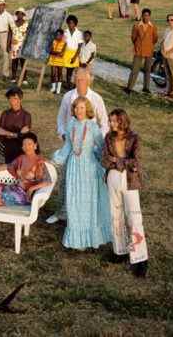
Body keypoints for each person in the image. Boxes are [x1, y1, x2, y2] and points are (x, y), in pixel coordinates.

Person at [48, 68, 109, 224]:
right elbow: (61, 118)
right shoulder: (68, 97)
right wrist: (63, 134)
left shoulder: (96, 98)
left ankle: (85, 215)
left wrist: (94, 143)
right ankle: (61, 212)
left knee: (86, 184)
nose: (80, 82)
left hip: (89, 150)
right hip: (71, 145)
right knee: (65, 181)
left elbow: (104, 124)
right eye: (78, 79)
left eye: (83, 79)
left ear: (89, 81)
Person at [51, 97, 113, 250]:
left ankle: (89, 237)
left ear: (87, 110)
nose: (79, 111)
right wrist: (57, 158)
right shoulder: (71, 123)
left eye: (82, 108)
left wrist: (105, 164)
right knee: (73, 200)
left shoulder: (92, 127)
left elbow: (101, 147)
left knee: (87, 202)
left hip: (89, 169)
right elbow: (67, 147)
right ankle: (76, 238)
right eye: (77, 108)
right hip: (73, 167)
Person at [101, 109, 149, 277]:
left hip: (130, 180)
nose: (112, 123)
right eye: (110, 120)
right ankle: (119, 250)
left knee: (134, 217)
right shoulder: (108, 137)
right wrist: (119, 162)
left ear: (122, 121)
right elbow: (105, 159)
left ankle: (140, 258)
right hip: (113, 179)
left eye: (114, 121)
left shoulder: (134, 137)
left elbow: (136, 161)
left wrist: (118, 161)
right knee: (115, 215)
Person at [125, 8, 158, 94]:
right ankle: (129, 87)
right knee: (135, 70)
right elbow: (133, 38)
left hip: (149, 50)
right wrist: (137, 45)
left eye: (147, 16)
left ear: (149, 16)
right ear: (142, 16)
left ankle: (146, 88)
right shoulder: (137, 26)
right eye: (144, 15)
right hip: (138, 50)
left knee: (147, 70)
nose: (146, 17)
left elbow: (155, 38)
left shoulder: (153, 27)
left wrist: (149, 45)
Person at [0, 87, 32, 164]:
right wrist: (16, 134)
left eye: (15, 98)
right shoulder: (5, 114)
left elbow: (25, 134)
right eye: (10, 98)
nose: (12, 101)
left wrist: (9, 134)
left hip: (21, 148)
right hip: (8, 147)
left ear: (20, 99)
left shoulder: (26, 115)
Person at [63, 15, 83, 87]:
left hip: (75, 53)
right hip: (67, 53)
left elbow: (79, 46)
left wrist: (75, 57)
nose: (70, 25)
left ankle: (75, 84)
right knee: (68, 69)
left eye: (72, 23)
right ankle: (68, 84)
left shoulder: (79, 33)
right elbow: (64, 43)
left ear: (75, 24)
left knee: (75, 70)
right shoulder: (65, 32)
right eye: (69, 23)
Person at [10, 8, 29, 83]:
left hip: (23, 45)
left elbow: (28, 35)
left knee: (23, 62)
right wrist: (8, 44)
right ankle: (13, 77)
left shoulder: (26, 24)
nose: (20, 15)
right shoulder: (12, 23)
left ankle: (24, 78)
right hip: (14, 45)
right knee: (14, 61)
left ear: (23, 15)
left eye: (21, 14)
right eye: (18, 13)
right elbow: (10, 34)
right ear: (16, 14)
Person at [48, 29, 66, 94]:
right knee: (53, 73)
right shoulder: (53, 41)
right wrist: (57, 53)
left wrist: (54, 52)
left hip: (60, 61)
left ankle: (58, 89)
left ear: (62, 35)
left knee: (59, 74)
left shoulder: (64, 43)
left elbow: (62, 54)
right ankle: (53, 88)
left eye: (59, 35)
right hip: (53, 60)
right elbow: (50, 51)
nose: (57, 36)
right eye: (56, 35)